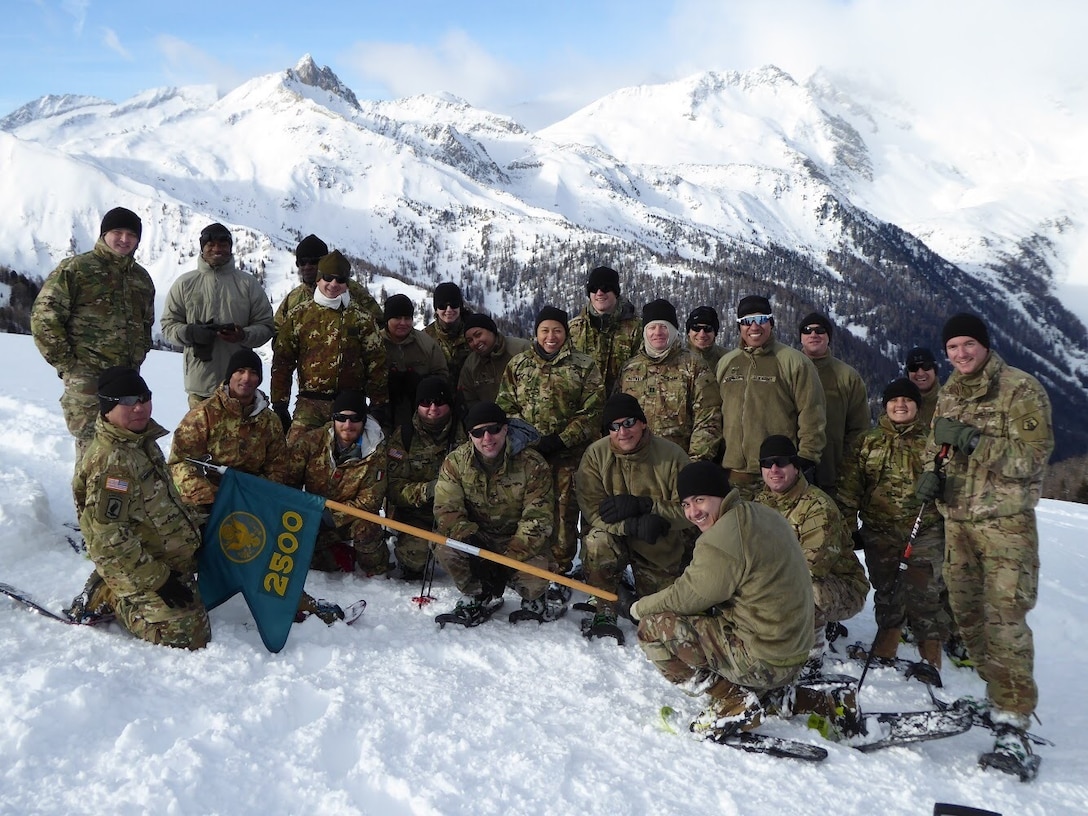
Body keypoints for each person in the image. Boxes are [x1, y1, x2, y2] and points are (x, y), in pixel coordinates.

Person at [916, 313, 1053, 772]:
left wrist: (974, 441)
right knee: (969, 617)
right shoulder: (952, 390)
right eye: (952, 347)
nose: (960, 354)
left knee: (1006, 619)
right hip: (958, 522)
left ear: (985, 345)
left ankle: (1014, 721)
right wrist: (931, 474)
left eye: (967, 344)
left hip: (1004, 525)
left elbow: (1032, 461)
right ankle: (997, 698)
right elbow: (939, 446)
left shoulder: (1019, 388)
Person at [628, 461, 814, 737]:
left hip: (765, 658)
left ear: (721, 495)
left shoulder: (722, 538)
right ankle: (781, 695)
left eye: (700, 500)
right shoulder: (760, 513)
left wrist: (636, 608)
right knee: (707, 616)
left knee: (653, 627)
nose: (693, 512)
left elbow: (686, 596)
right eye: (686, 505)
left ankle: (733, 700)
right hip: (795, 650)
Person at [67, 367, 210, 649]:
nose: (140, 407)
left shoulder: (140, 440)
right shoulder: (113, 464)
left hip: (162, 555)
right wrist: (159, 581)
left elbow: (162, 500)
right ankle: (110, 595)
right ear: (108, 407)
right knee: (188, 634)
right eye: (129, 400)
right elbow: (110, 539)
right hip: (134, 565)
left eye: (144, 398)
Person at [31, 207, 155, 476]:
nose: (124, 239)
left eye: (131, 234)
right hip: (87, 379)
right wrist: (68, 364)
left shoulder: (141, 279)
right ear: (104, 234)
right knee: (92, 448)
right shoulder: (78, 269)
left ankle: (116, 513)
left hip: (127, 380)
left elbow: (146, 324)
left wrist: (139, 356)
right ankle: (88, 515)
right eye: (117, 232)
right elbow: (44, 318)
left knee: (125, 447)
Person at [837, 378, 948, 667]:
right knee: (887, 590)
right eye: (894, 400)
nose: (900, 405)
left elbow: (953, 484)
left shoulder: (933, 443)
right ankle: (886, 645)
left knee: (925, 592)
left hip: (925, 530)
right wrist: (848, 528)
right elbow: (850, 488)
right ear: (885, 406)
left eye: (907, 400)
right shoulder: (866, 442)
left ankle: (930, 654)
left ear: (917, 406)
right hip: (880, 531)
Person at [575, 393, 694, 642]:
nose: (622, 432)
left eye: (628, 423)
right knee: (597, 540)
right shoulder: (595, 456)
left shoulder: (672, 456)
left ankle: (631, 592)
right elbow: (592, 511)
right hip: (613, 538)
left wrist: (648, 506)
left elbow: (691, 512)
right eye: (614, 426)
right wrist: (630, 525)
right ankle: (605, 608)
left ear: (642, 423)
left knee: (656, 617)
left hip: (658, 541)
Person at [497, 305, 605, 575]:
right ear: (536, 333)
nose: (551, 336)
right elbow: (505, 406)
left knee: (563, 513)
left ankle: (560, 569)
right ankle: (525, 562)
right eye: (545, 330)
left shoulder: (583, 365)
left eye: (557, 330)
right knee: (527, 509)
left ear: (566, 333)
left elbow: (593, 411)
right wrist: (527, 439)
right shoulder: (519, 365)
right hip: (528, 455)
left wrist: (561, 440)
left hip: (569, 456)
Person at [432, 402, 559, 626]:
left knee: (535, 580)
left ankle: (535, 599)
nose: (487, 438)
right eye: (478, 432)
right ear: (470, 435)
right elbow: (446, 509)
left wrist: (504, 561)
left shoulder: (533, 464)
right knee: (446, 548)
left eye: (493, 429)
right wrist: (474, 547)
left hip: (519, 541)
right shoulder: (455, 463)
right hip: (478, 539)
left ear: (505, 429)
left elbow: (538, 518)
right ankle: (478, 593)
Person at [753, 435, 868, 674]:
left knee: (804, 589)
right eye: (767, 463)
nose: (774, 469)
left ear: (795, 466)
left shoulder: (818, 507)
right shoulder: (760, 502)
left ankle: (811, 654)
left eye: (781, 461)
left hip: (839, 586)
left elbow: (810, 567)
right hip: (782, 579)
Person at [270, 250, 387, 442]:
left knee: (358, 457)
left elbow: (376, 362)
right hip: (311, 403)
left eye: (340, 280)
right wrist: (280, 404)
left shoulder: (361, 319)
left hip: (351, 406)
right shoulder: (299, 316)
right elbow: (283, 361)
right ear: (318, 279)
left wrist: (379, 403)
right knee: (294, 454)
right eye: (328, 278)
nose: (333, 284)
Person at [716, 294, 825, 497]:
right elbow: (714, 415)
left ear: (771, 323)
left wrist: (806, 458)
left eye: (761, 320)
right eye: (747, 321)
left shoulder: (793, 362)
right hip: (734, 477)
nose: (754, 327)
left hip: (778, 474)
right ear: (739, 326)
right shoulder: (727, 364)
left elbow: (812, 413)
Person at [167, 348, 290, 526]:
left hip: (250, 500)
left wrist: (252, 495)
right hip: (205, 501)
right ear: (230, 375)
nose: (246, 378)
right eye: (240, 371)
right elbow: (179, 463)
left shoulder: (270, 421)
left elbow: (277, 469)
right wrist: (212, 496)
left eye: (253, 373)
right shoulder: (203, 414)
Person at [160, 222, 275, 408]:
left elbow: (266, 326)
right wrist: (191, 333)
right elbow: (168, 326)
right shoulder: (185, 284)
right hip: (200, 386)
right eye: (210, 245)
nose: (217, 249)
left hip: (240, 387)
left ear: (230, 248)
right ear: (202, 248)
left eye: (223, 244)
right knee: (198, 436)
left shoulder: (248, 284)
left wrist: (243, 335)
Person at [286, 390, 390, 575]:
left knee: (368, 528)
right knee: (302, 557)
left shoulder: (375, 451)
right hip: (313, 518)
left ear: (364, 420)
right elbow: (288, 482)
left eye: (355, 418)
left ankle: (375, 576)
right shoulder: (311, 442)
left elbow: (370, 501)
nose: (347, 425)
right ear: (333, 419)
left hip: (351, 518)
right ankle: (334, 555)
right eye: (341, 418)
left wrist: (330, 516)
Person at [614, 298, 721, 461]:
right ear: (645, 331)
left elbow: (708, 417)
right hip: (636, 463)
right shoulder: (629, 369)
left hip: (678, 462)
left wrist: (695, 463)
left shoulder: (694, 366)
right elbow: (615, 418)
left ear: (673, 330)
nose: (657, 332)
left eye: (664, 327)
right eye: (652, 327)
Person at [387, 376, 458, 580]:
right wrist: (428, 490)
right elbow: (393, 488)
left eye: (439, 402)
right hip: (417, 515)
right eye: (426, 403)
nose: (433, 408)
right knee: (414, 556)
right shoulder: (404, 437)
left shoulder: (465, 434)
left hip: (458, 515)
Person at [797, 312, 869, 500]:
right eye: (807, 330)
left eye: (820, 330)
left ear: (828, 337)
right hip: (791, 471)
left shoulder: (847, 377)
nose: (814, 335)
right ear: (801, 338)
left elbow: (859, 430)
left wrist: (849, 466)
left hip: (834, 474)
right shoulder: (788, 370)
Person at [273, 234, 381, 331]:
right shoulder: (292, 299)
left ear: (324, 262)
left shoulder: (351, 290)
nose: (307, 267)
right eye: (302, 262)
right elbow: (277, 331)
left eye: (313, 262)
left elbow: (378, 323)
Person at [568, 265, 642, 393]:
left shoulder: (637, 329)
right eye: (593, 288)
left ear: (615, 292)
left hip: (623, 406)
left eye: (605, 288)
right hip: (584, 407)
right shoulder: (573, 329)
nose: (599, 293)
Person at [382, 293, 449, 431]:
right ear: (387, 319)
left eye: (407, 318)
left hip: (421, 410)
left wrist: (422, 383)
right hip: (383, 407)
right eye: (397, 318)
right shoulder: (375, 343)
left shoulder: (426, 344)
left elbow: (442, 376)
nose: (403, 323)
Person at [457, 312, 530, 426]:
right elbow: (469, 400)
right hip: (492, 427)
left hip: (529, 420)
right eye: (470, 340)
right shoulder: (471, 366)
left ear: (491, 331)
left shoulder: (521, 349)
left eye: (478, 335)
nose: (475, 342)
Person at [423, 282, 472, 389]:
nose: (449, 310)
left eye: (454, 304)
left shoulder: (474, 332)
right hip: (438, 400)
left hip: (472, 397)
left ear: (460, 307)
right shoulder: (425, 338)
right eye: (442, 306)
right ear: (436, 309)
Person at [905, 346, 942, 427]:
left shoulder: (950, 401)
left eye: (926, 366)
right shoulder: (898, 406)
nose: (920, 373)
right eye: (913, 368)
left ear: (935, 370)